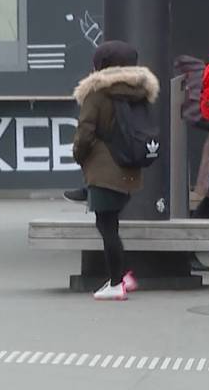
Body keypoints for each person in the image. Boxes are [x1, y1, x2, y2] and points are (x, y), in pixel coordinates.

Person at [72, 40, 158, 300]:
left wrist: (78, 155)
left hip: (104, 171)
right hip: (129, 168)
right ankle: (125, 275)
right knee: (112, 224)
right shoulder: (138, 93)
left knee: (106, 226)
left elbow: (85, 134)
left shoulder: (97, 94)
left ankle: (116, 283)